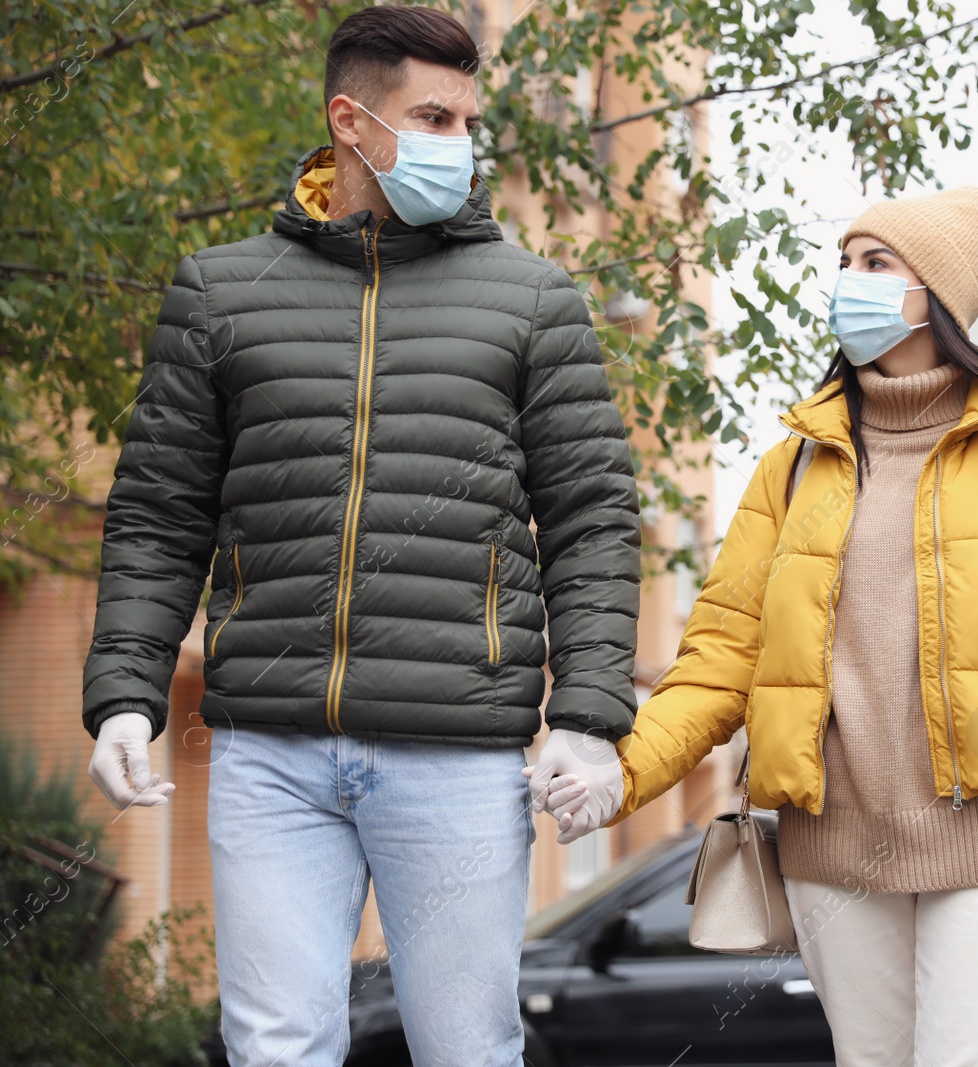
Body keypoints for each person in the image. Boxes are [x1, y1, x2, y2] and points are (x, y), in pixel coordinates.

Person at [80, 7, 640, 1064]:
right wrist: (124, 689)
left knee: (466, 1048)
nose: (458, 142)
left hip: (462, 750)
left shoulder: (531, 299)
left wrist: (588, 711)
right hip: (267, 751)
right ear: (350, 120)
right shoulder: (221, 292)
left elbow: (592, 515)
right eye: (433, 115)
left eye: (469, 119)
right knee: (275, 1045)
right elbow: (159, 508)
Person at [534, 185, 978, 1067]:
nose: (845, 284)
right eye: (843, 264)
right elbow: (717, 662)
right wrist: (618, 775)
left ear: (935, 292)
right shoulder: (794, 467)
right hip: (832, 851)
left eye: (874, 264)